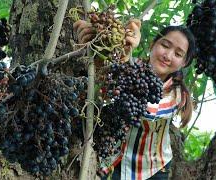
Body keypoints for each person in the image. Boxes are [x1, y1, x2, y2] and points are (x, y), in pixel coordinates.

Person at [73, 18, 196, 180]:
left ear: (184, 63)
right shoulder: (132, 65)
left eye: (178, 54)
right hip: (114, 160)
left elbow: (148, 110)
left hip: (152, 170)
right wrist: (97, 43)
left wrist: (124, 57)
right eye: (165, 45)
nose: (168, 55)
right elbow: (103, 90)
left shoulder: (178, 93)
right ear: (153, 44)